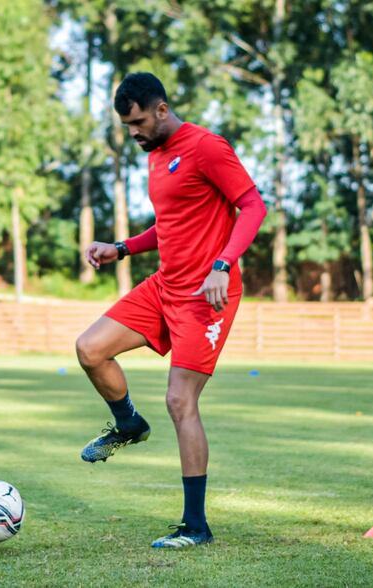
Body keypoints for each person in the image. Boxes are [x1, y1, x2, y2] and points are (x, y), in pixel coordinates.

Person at [76, 73, 267, 548]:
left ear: (161, 109)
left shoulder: (207, 147)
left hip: (207, 296)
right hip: (164, 286)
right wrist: (121, 249)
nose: (134, 133)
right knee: (90, 348)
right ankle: (128, 424)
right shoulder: (157, 157)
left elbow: (253, 206)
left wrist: (223, 264)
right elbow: (172, 225)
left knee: (181, 402)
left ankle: (195, 527)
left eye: (139, 122)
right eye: (127, 126)